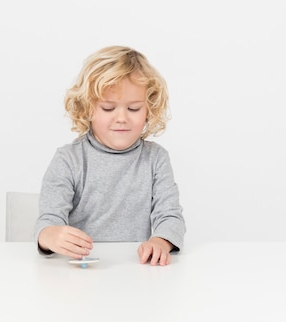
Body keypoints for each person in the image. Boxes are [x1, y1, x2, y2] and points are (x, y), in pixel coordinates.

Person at [35, 46, 185, 266]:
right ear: (87, 108)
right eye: (107, 108)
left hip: (136, 271)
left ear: (149, 109)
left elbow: (170, 216)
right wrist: (50, 236)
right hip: (81, 273)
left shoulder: (156, 159)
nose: (122, 118)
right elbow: (48, 220)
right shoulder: (69, 159)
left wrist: (161, 242)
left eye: (133, 109)